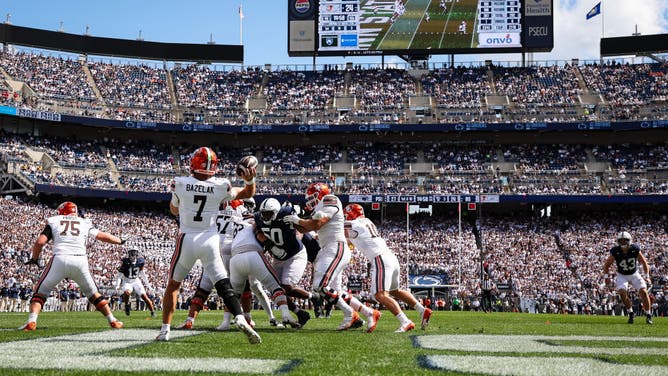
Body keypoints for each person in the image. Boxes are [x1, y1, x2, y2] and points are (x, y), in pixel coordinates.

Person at [157, 147, 261, 343]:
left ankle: (165, 330)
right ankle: (239, 317)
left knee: (173, 284)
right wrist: (250, 179)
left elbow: (173, 210)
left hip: (187, 237)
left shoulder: (179, 183)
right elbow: (248, 192)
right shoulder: (222, 185)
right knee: (223, 283)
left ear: (193, 164)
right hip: (210, 240)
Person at [283, 183, 379, 331]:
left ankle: (349, 314)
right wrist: (293, 222)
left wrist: (296, 220)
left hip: (335, 248)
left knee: (320, 286)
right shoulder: (320, 206)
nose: (309, 201)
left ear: (319, 194)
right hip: (329, 249)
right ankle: (369, 313)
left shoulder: (329, 199)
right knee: (336, 292)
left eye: (311, 197)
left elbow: (317, 223)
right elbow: (306, 227)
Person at [20, 201, 126, 331]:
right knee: (93, 294)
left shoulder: (54, 220)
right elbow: (103, 236)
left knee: (40, 292)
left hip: (59, 258)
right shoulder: (84, 222)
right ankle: (112, 320)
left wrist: (35, 258)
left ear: (61, 211)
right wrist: (120, 241)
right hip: (80, 260)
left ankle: (32, 322)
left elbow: (40, 242)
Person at [343, 204, 431, 332]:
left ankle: (405, 321)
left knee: (380, 295)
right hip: (390, 257)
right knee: (395, 291)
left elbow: (337, 226)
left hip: (380, 258)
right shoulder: (366, 222)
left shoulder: (355, 224)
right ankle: (422, 310)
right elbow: (350, 240)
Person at [254, 198, 312, 327]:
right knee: (276, 289)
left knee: (286, 287)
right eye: (263, 213)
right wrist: (268, 244)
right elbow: (255, 227)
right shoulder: (258, 217)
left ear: (275, 212)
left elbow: (300, 212)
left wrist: (296, 216)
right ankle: (299, 313)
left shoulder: (285, 214)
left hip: (295, 255)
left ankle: (313, 297)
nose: (264, 216)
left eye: (268, 213)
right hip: (278, 257)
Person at [603, 231, 653, 324]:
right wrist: (606, 277)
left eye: (624, 240)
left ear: (629, 240)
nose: (623, 242)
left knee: (644, 292)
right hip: (622, 275)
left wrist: (647, 276)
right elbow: (607, 265)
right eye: (620, 241)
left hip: (634, 274)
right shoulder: (615, 251)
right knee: (622, 293)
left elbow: (644, 262)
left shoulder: (635, 249)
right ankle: (630, 313)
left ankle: (648, 314)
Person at [114, 249, 156, 317]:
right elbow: (119, 275)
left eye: (131, 255)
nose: (130, 256)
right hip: (127, 281)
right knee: (127, 292)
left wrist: (148, 285)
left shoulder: (140, 262)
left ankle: (152, 311)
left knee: (144, 297)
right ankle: (127, 305)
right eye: (130, 255)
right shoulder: (125, 262)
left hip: (136, 281)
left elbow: (142, 274)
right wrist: (117, 285)